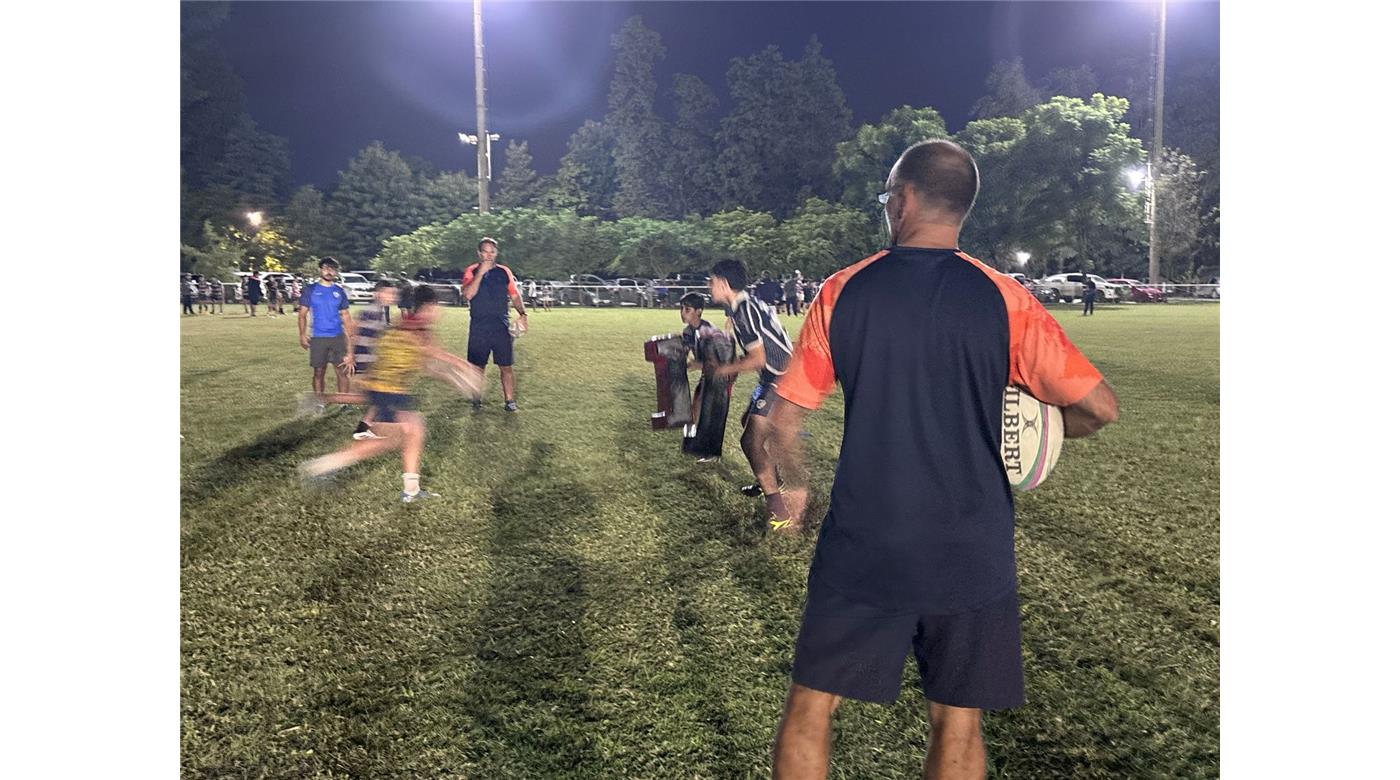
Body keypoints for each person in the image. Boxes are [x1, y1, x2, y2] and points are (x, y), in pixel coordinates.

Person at [762, 139, 1119, 779]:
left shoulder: (844, 291)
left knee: (811, 709)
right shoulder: (1007, 300)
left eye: (886, 198)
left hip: (866, 541)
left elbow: (782, 423)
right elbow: (1099, 408)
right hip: (971, 544)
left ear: (903, 200)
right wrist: (1039, 432)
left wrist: (797, 492)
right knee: (957, 721)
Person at [298, 285, 463, 503]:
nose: (438, 311)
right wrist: (464, 370)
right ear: (426, 307)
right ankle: (322, 467)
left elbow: (426, 362)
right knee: (390, 440)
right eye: (435, 306)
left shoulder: (401, 326)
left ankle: (411, 490)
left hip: (385, 390)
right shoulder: (417, 331)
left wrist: (453, 375)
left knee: (413, 431)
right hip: (389, 392)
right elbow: (435, 356)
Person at [705, 259, 795, 510]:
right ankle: (771, 476)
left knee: (750, 442)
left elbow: (758, 358)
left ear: (724, 284)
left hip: (781, 378)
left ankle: (778, 511)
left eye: (712, 282)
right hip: (774, 377)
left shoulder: (744, 311)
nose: (709, 286)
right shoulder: (745, 306)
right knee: (749, 421)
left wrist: (723, 369)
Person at [460, 237, 528, 412]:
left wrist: (523, 314)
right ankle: (476, 398)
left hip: (501, 326)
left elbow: (514, 295)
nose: (489, 255)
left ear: (496, 253)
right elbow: (468, 295)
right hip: (479, 326)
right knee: (478, 366)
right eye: (485, 251)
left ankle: (510, 401)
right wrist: (481, 273)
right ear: (479, 253)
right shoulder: (471, 271)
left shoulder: (504, 271)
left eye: (492, 251)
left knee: (506, 366)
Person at [297, 258, 356, 411]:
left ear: (335, 272)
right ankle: (319, 403)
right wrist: (302, 335)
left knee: (341, 370)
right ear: (320, 270)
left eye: (332, 269)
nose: (329, 272)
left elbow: (345, 315)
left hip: (337, 336)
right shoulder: (310, 290)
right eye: (326, 268)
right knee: (318, 371)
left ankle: (344, 402)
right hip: (318, 337)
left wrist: (351, 339)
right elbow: (302, 315)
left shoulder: (339, 291)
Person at [350, 280, 400, 440]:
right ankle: (321, 398)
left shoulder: (381, 311)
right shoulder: (371, 311)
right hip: (366, 361)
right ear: (377, 294)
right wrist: (351, 357)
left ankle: (364, 427)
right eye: (388, 293)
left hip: (373, 360)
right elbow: (353, 332)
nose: (392, 296)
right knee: (380, 394)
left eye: (393, 293)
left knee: (380, 395)